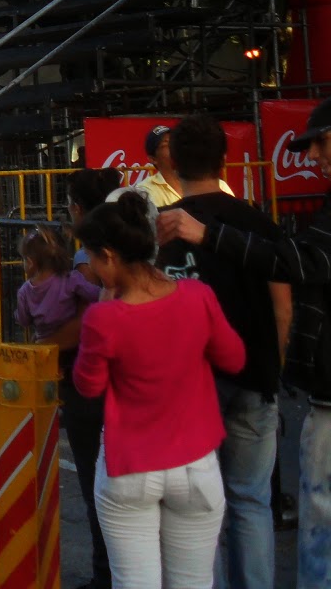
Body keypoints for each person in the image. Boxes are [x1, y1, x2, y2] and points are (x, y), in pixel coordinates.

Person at [158, 95, 331, 588]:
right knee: (252, 499)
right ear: (225, 161)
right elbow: (283, 305)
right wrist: (275, 366)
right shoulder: (257, 221)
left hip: (193, 384)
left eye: (320, 143)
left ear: (173, 163)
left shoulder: (166, 228)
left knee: (198, 506)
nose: (314, 156)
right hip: (256, 375)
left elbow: (298, 264)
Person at [72, 192, 245, 589]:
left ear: (109, 256)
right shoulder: (198, 297)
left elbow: (88, 385)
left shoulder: (104, 318)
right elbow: (234, 359)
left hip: (130, 467)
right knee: (194, 582)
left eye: (92, 258)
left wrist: (104, 307)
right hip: (195, 463)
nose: (91, 268)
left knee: (134, 582)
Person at [58, 167, 118, 589]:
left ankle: (105, 573)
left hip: (92, 388)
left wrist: (43, 347)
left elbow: (84, 326)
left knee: (99, 485)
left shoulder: (87, 257)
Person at [114, 123, 235, 209]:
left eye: (174, 142)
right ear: (153, 159)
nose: (173, 147)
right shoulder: (145, 192)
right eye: (166, 144)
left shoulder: (218, 185)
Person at [14, 225, 98, 344]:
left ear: (30, 262)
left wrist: (17, 315)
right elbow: (95, 294)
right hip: (70, 342)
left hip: (43, 344)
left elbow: (23, 320)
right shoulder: (71, 279)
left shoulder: (24, 291)